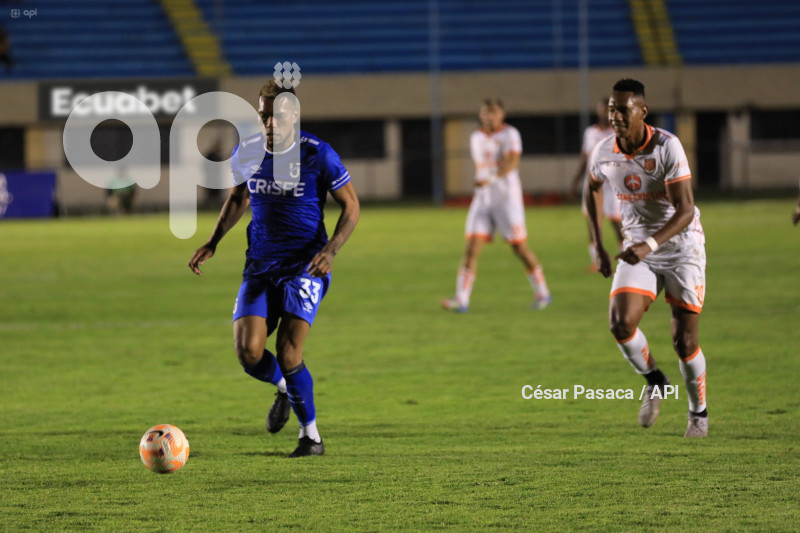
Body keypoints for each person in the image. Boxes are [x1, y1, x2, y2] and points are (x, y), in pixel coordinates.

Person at [188, 81, 360, 457]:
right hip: (261, 265)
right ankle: (284, 387)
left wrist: (331, 250)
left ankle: (310, 437)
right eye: (263, 114)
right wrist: (213, 241)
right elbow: (237, 197)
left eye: (277, 115)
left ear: (293, 116)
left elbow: (352, 206)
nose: (269, 122)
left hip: (306, 266)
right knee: (248, 352)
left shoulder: (318, 154)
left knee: (288, 351)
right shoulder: (247, 151)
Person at [585, 78, 708, 438]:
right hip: (639, 249)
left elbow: (685, 210)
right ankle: (656, 380)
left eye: (623, 109)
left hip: (682, 248)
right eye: (611, 108)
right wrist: (598, 246)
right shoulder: (603, 150)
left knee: (684, 342)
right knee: (620, 324)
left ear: (642, 111)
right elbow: (590, 190)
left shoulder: (667, 146)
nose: (615, 116)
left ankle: (698, 412)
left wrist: (648, 246)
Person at [441, 99, 551, 312]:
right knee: (472, 248)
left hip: (506, 199)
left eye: (493, 112)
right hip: (483, 199)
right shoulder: (476, 137)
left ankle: (543, 293)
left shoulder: (510, 135)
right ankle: (461, 300)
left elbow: (512, 163)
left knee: (519, 248)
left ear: (502, 114)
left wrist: (490, 179)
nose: (488, 116)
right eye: (485, 112)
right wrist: (484, 183)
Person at [570, 98, 623, 270]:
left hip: (612, 185)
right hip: (593, 183)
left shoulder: (618, 132)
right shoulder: (590, 132)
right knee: (592, 222)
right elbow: (585, 158)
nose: (606, 113)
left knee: (617, 222)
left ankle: (626, 256)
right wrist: (576, 181)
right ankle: (597, 261)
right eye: (604, 109)